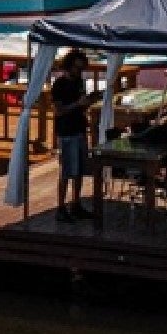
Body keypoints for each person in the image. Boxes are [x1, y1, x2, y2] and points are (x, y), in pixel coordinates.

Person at [51, 48, 99, 222]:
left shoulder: (79, 82)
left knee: (79, 170)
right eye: (77, 68)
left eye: (82, 68)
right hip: (67, 131)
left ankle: (76, 203)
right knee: (67, 171)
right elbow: (58, 111)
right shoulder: (60, 85)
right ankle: (61, 207)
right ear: (69, 66)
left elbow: (80, 105)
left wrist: (88, 102)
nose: (79, 72)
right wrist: (77, 104)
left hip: (79, 128)